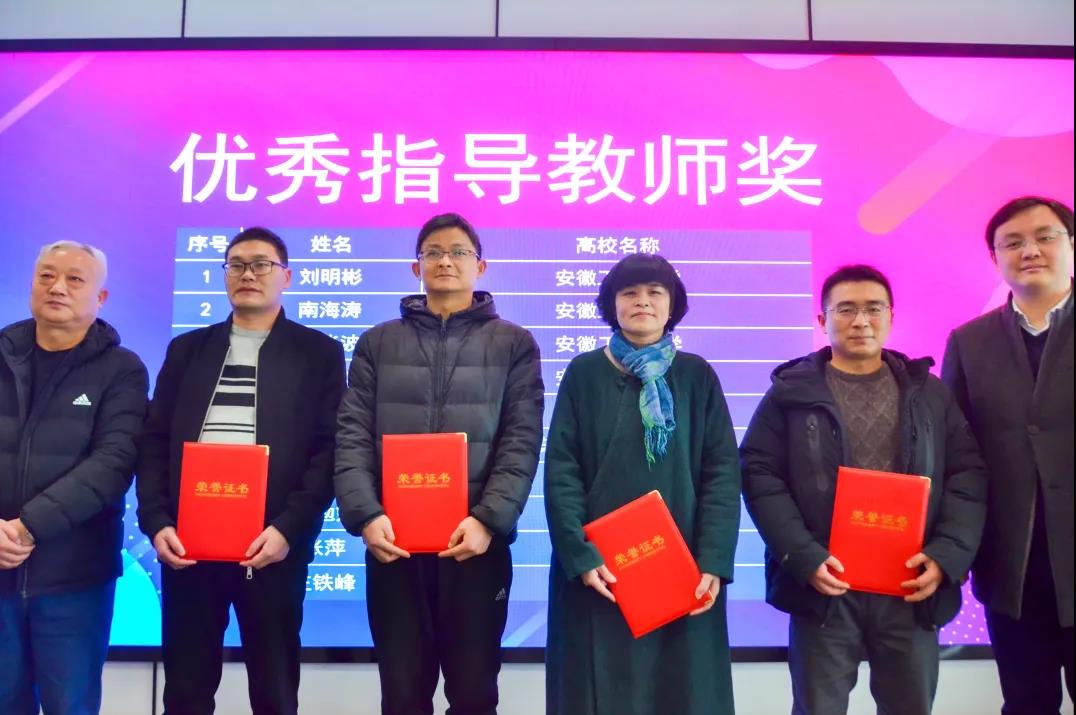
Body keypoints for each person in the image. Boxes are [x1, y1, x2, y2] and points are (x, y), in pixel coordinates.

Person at [740, 264, 987, 715]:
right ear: (822, 320)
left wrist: (946, 556)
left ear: (891, 316)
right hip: (825, 586)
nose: (861, 321)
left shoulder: (928, 394)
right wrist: (803, 556)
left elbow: (967, 474)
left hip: (910, 584)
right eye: (846, 310)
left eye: (873, 309)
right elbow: (759, 474)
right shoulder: (791, 393)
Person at [334, 213, 544, 715]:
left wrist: (488, 520)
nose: (445, 261)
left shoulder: (514, 344)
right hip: (394, 546)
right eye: (433, 252)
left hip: (475, 546)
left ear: (480, 266)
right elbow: (351, 435)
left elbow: (521, 440)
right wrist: (367, 515)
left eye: (458, 252)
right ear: (416, 267)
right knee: (402, 695)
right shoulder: (378, 343)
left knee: (474, 694)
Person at [136, 227, 345, 715]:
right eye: (236, 265)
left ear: (286, 277)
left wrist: (288, 529)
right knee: (185, 691)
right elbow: (153, 441)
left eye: (261, 264)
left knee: (274, 691)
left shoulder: (318, 353)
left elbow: (329, 450)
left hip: (271, 547)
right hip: (189, 546)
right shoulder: (188, 350)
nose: (248, 274)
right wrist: (157, 521)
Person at [543, 253, 741, 715]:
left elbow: (721, 474)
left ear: (672, 305)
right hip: (600, 576)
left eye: (655, 292)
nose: (642, 301)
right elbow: (561, 471)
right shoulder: (583, 373)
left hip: (684, 571)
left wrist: (713, 561)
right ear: (611, 304)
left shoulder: (697, 375)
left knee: (684, 694)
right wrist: (581, 556)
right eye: (629, 292)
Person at [0, 241, 148, 715]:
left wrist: (28, 527)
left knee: (71, 706)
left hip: (75, 578)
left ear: (100, 298)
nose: (57, 287)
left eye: (74, 279)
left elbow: (114, 462)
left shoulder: (121, 370)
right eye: (46, 276)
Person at [942, 196, 1074, 713]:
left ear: (1070, 244)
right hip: (1012, 569)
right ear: (995, 257)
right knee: (1025, 703)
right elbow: (956, 455)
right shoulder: (969, 343)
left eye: (1044, 237)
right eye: (1012, 243)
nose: (1030, 251)